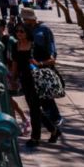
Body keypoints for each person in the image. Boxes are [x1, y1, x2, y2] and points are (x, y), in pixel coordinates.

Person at [22, 8, 62, 147]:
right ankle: (50, 131)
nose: (24, 21)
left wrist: (43, 64)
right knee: (34, 107)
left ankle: (49, 130)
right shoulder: (24, 31)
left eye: (26, 19)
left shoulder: (44, 30)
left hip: (42, 72)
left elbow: (52, 51)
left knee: (43, 104)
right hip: (28, 74)